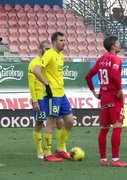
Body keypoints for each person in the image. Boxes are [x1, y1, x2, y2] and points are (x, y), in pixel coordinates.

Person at [85, 36, 127, 167]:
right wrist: (120, 89)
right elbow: (113, 75)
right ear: (113, 46)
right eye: (118, 43)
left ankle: (103, 160)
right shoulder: (115, 59)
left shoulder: (101, 60)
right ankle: (116, 160)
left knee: (104, 128)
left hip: (104, 97)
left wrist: (94, 92)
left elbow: (88, 76)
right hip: (114, 96)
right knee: (117, 126)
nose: (119, 45)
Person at [33, 32, 74, 162]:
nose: (64, 42)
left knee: (69, 121)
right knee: (51, 122)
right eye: (61, 40)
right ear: (54, 42)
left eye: (64, 40)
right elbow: (36, 70)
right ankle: (47, 153)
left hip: (61, 94)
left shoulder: (60, 55)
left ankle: (61, 149)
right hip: (53, 95)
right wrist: (47, 85)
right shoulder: (49, 54)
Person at [28, 40, 65, 160]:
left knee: (59, 121)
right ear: (40, 49)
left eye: (50, 49)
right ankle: (40, 150)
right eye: (46, 49)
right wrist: (35, 101)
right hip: (40, 98)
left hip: (52, 97)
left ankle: (60, 149)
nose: (49, 51)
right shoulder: (34, 64)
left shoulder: (51, 61)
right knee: (39, 123)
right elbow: (31, 84)